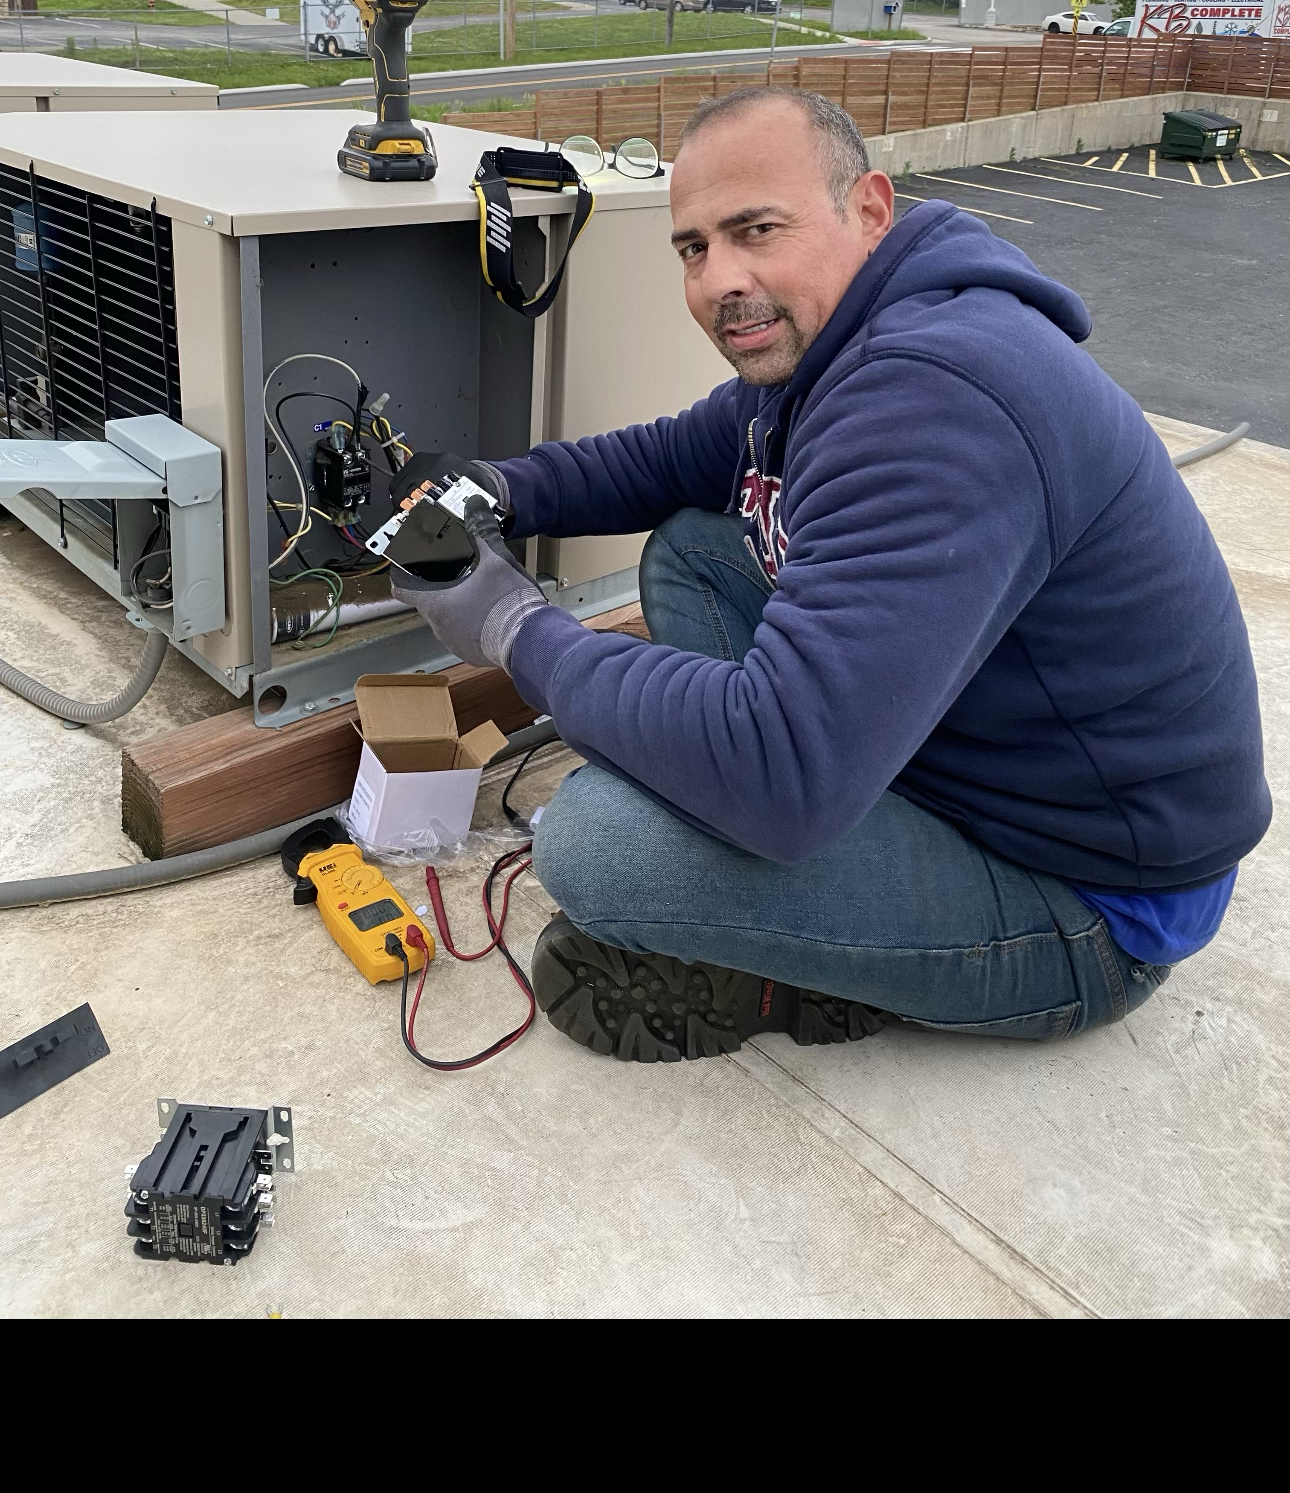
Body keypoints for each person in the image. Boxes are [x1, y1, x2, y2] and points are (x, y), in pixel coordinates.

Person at [388, 89, 1270, 1066]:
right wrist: (497, 489)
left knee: (598, 846)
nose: (723, 279)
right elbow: (675, 457)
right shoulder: (835, 344)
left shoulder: (936, 400)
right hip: (975, 757)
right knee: (695, 547)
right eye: (693, 248)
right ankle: (784, 817)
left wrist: (511, 625)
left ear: (871, 212)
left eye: (756, 230)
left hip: (1090, 895)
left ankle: (796, 969)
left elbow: (784, 773)